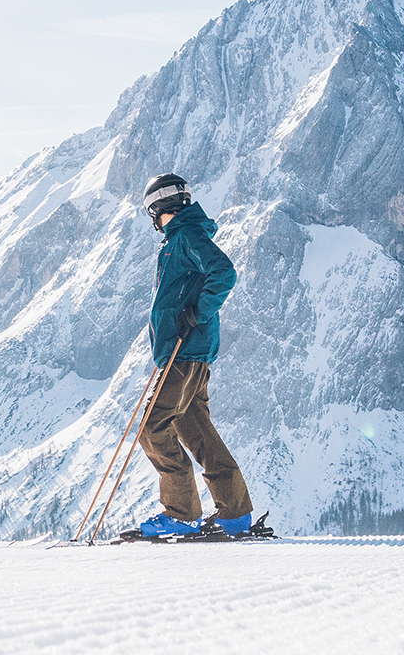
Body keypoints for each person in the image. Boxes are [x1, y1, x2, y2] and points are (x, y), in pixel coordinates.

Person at [128, 173, 255, 538]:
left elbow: (224, 272)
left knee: (152, 428)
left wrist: (196, 313)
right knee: (199, 434)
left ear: (156, 208)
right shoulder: (180, 238)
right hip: (185, 352)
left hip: (184, 354)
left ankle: (183, 513)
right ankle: (235, 515)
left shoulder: (186, 236)